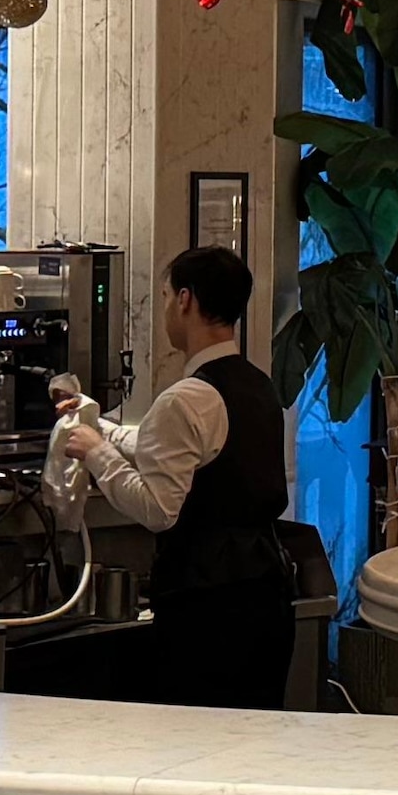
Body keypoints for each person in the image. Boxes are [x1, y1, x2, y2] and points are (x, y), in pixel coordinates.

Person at [50, 244, 299, 709]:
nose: (163, 308)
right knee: (254, 732)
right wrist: (100, 426)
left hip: (208, 605)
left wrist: (96, 452)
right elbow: (170, 448)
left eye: (165, 296)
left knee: (196, 736)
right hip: (267, 590)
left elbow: (158, 510)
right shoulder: (256, 383)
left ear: (185, 299)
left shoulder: (185, 398)